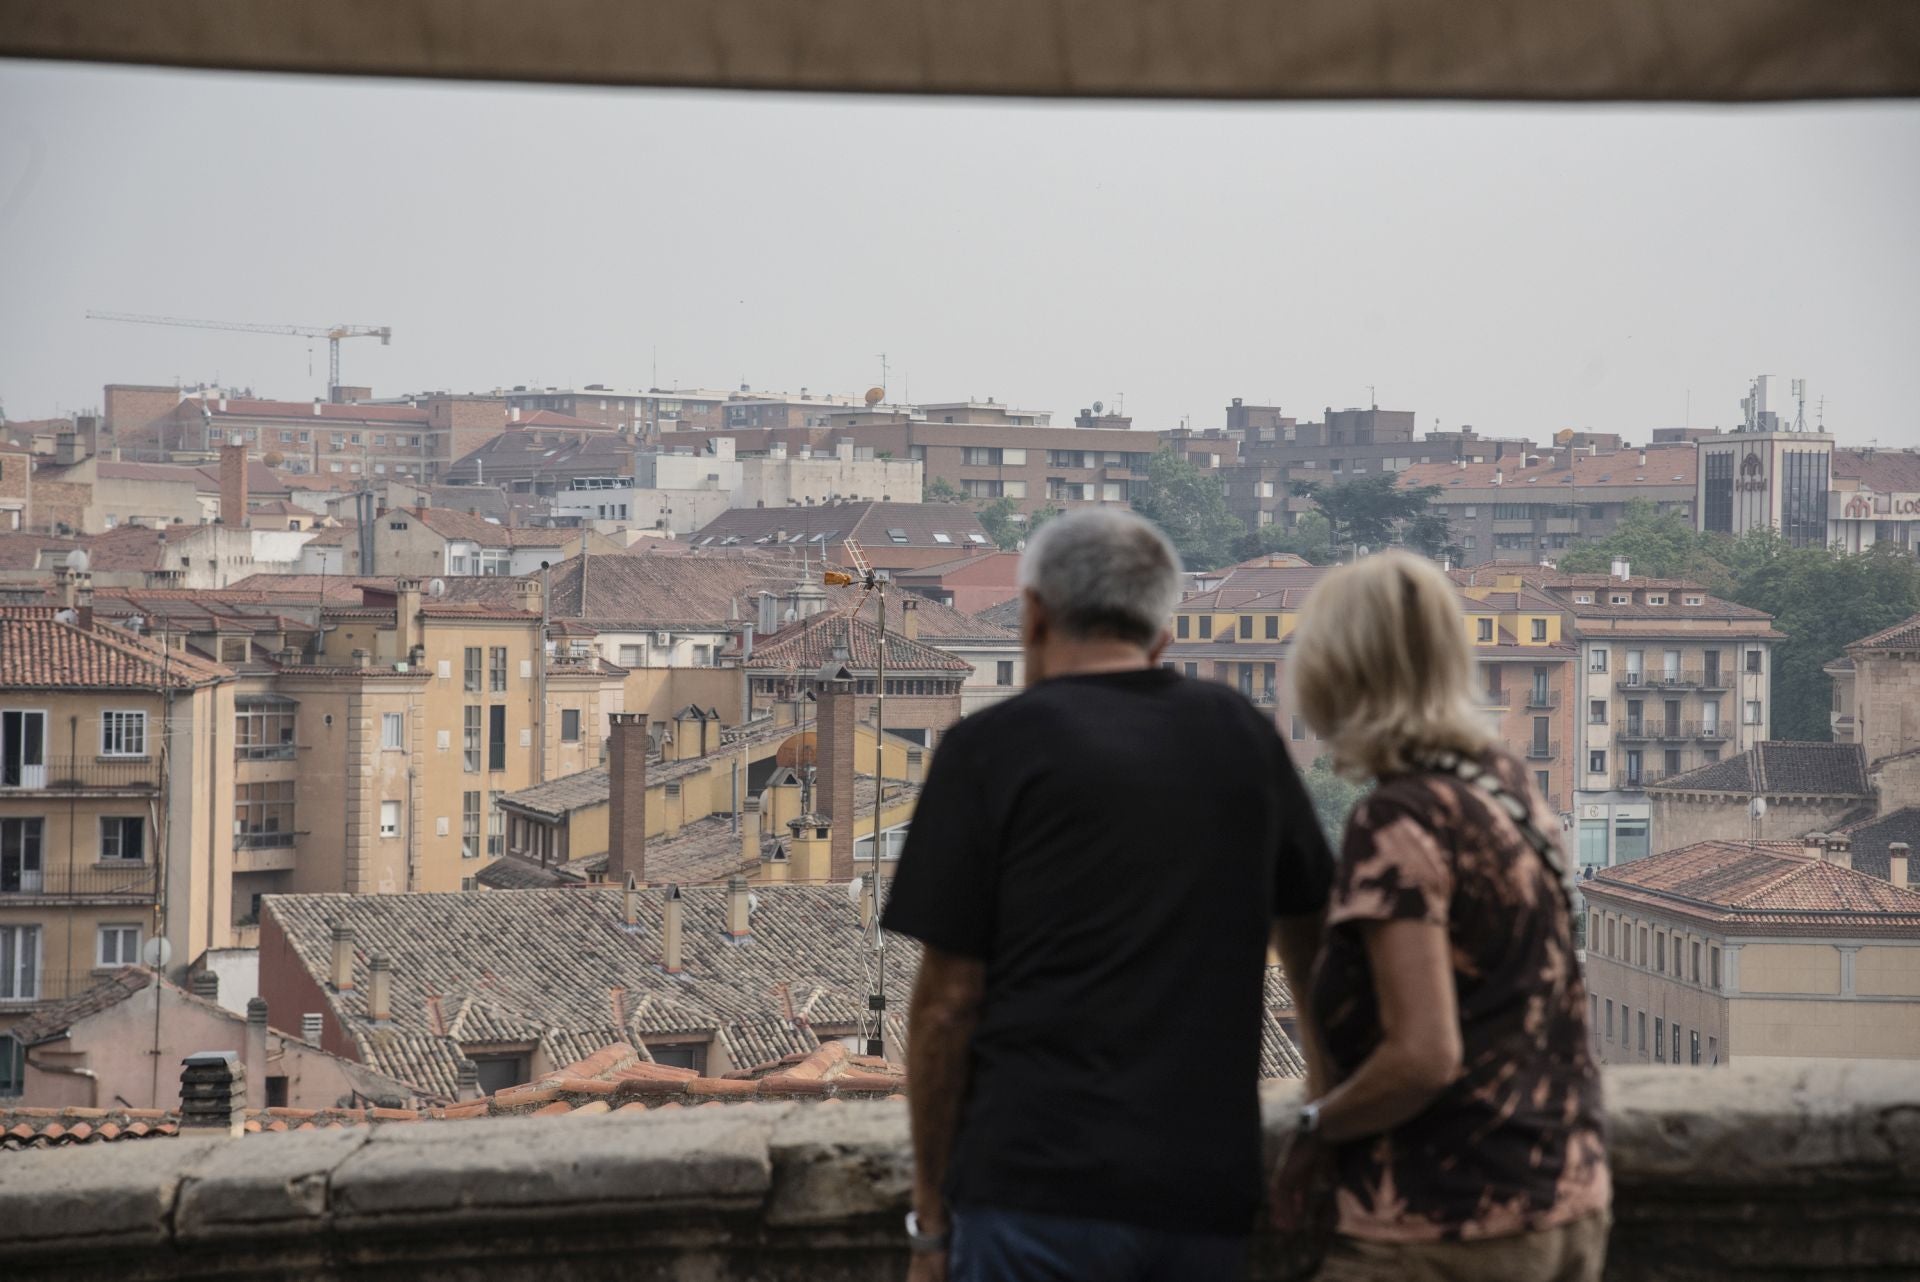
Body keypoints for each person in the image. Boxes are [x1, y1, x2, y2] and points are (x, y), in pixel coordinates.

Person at [882, 508, 1334, 1282]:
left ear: (1032, 616)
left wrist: (930, 1219)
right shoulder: (1242, 737)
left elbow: (949, 1002)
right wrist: (1322, 1117)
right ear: (1161, 634)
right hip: (1199, 1194)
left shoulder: (989, 750)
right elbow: (1316, 952)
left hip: (1032, 1189)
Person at [1273, 551, 1610, 1282]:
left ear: (1337, 671)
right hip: (1567, 1197)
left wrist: (1313, 1128)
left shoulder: (1398, 822)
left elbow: (1423, 1057)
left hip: (1445, 1220)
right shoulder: (1506, 784)